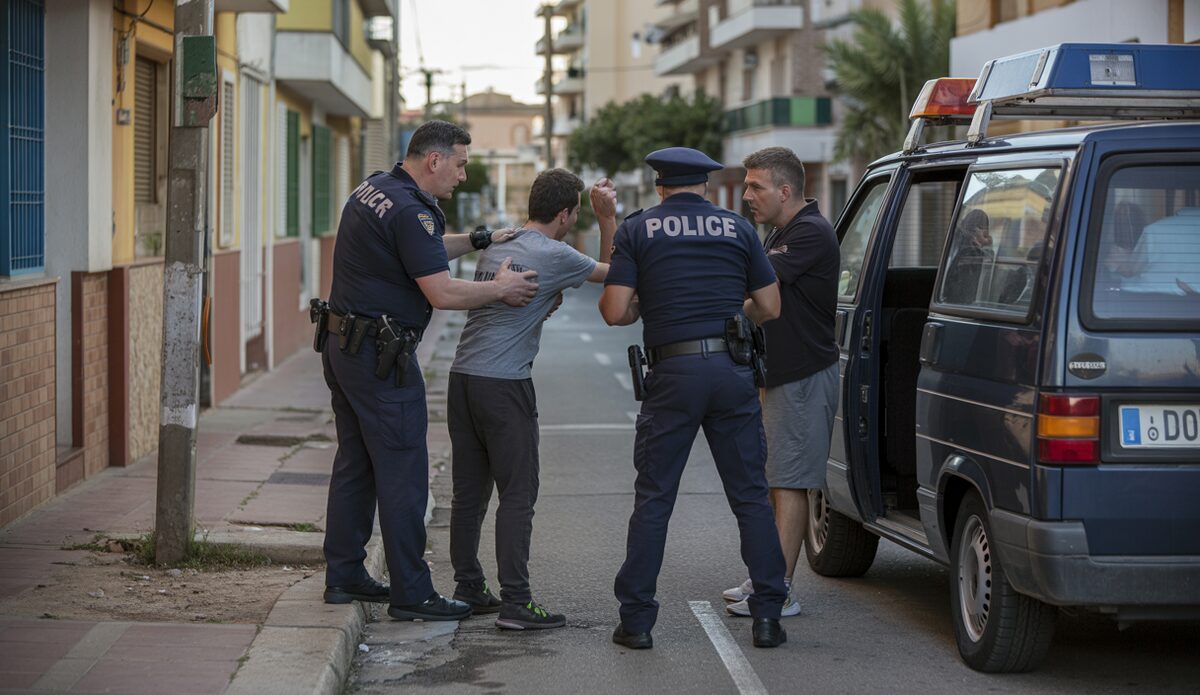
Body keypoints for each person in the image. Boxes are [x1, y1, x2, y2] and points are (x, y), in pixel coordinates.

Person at [320, 120, 539, 622]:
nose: (463, 175)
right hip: (380, 357)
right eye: (460, 164)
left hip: (343, 346)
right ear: (434, 160)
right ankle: (412, 593)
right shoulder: (411, 211)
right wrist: (500, 290)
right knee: (402, 473)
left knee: (356, 463)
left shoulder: (377, 188)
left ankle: (345, 574)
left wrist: (481, 239)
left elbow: (424, 247)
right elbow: (441, 292)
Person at [599, 147, 788, 650]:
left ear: (661, 185)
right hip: (731, 369)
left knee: (655, 499)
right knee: (750, 496)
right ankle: (768, 614)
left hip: (673, 372)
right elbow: (769, 305)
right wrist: (728, 312)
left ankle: (637, 621)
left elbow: (615, 312)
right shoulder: (737, 229)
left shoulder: (638, 230)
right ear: (705, 185)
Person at [447, 170, 616, 630]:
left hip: (462, 379)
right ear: (564, 214)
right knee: (518, 495)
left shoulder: (500, 242)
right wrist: (606, 220)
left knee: (469, 495)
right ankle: (517, 603)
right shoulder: (554, 252)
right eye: (576, 213)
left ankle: (468, 586)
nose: (574, 219)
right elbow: (616, 276)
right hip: (504, 385)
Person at [721, 147, 840, 618]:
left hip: (803, 377)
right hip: (781, 375)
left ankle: (779, 590)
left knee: (789, 483)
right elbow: (758, 302)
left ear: (785, 190)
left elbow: (755, 291)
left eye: (756, 187)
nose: (748, 194)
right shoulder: (781, 232)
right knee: (775, 480)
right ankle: (767, 576)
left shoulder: (809, 231)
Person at [942, 208, 993, 304]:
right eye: (985, 233)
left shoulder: (956, 245)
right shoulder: (971, 253)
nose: (988, 237)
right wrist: (987, 248)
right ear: (976, 231)